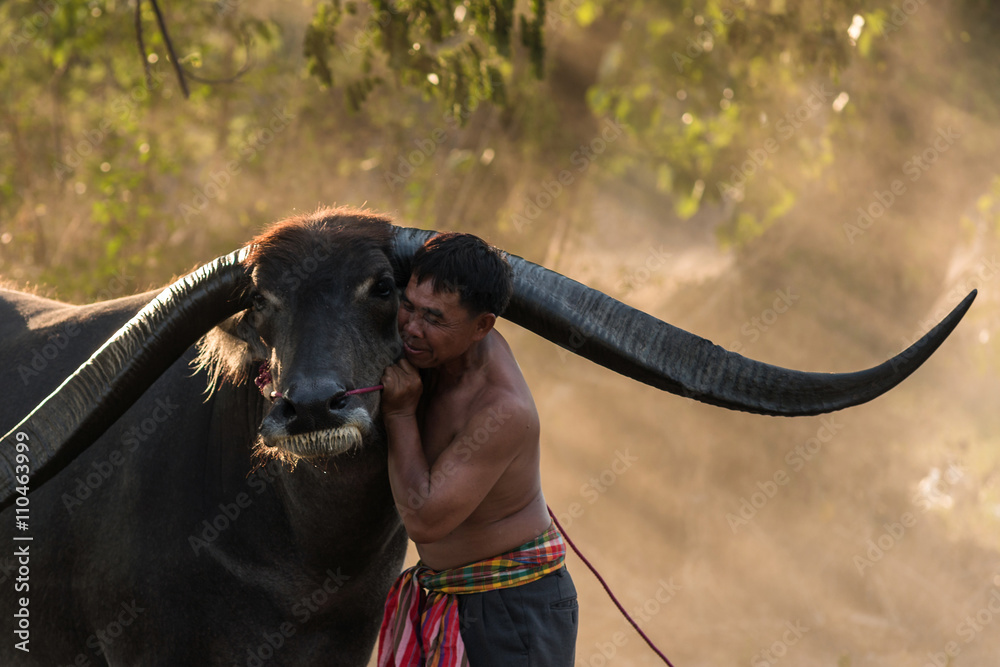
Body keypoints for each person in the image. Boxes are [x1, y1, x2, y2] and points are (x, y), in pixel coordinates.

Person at [377, 232, 578, 666]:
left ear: (481, 326)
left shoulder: (501, 408)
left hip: (513, 606)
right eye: (408, 305)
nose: (412, 326)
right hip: (450, 594)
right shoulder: (429, 354)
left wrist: (399, 414)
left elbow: (425, 519)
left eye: (434, 317)